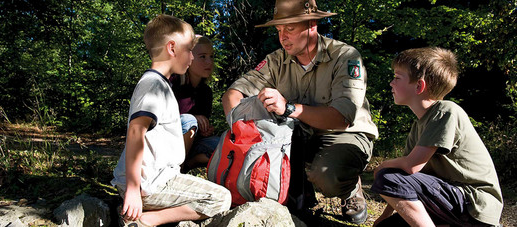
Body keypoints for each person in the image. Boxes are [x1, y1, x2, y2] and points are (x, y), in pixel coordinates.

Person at [221, 0, 378, 224]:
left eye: (290, 29)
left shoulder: (345, 56)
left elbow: (342, 118)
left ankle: (350, 189)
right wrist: (239, 128)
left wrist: (290, 108)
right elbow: (235, 92)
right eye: (278, 30)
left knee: (327, 175)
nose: (282, 37)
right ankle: (298, 196)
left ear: (312, 25)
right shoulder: (277, 60)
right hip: (299, 134)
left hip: (344, 134)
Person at [111, 14, 231, 227]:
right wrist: (132, 189)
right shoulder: (152, 86)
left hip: (158, 179)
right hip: (149, 184)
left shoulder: (161, 84)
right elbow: (135, 132)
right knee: (221, 198)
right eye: (189, 51)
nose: (192, 58)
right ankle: (147, 220)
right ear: (172, 48)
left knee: (218, 195)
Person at [371, 47, 503, 227]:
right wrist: (385, 216)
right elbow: (403, 178)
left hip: (474, 202)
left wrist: (382, 166)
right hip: (449, 201)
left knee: (385, 175)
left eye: (397, 77)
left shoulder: (446, 111)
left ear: (419, 86)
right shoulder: (418, 125)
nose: (391, 83)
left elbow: (411, 167)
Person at [170, 35, 220, 171]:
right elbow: (163, 121)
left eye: (211, 56)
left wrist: (205, 130)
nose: (209, 62)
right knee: (188, 120)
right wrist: (194, 120)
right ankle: (175, 172)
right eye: (203, 56)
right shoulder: (172, 83)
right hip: (167, 144)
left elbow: (197, 130)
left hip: (192, 145)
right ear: (188, 57)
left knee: (222, 145)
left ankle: (189, 164)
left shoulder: (206, 92)